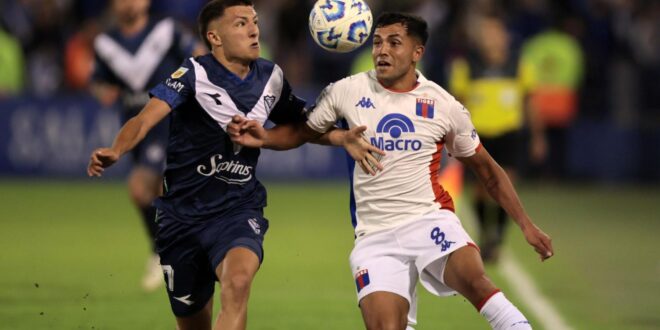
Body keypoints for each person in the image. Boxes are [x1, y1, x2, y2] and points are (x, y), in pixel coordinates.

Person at [228, 12, 554, 330]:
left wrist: (527, 225)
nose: (382, 50)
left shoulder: (443, 105)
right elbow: (303, 132)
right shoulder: (347, 91)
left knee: (476, 282)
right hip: (375, 236)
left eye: (394, 43)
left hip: (429, 218)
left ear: (417, 53)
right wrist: (266, 137)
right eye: (377, 42)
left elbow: (488, 171)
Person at [87, 1, 373, 329]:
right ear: (215, 37)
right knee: (193, 322)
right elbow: (145, 118)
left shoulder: (271, 77)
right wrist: (117, 149)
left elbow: (303, 125)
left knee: (238, 283)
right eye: (240, 24)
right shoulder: (193, 74)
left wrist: (342, 138)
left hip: (238, 210)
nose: (254, 30)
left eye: (254, 22)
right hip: (182, 219)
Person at [90, 0, 205, 291]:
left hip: (168, 120)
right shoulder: (106, 43)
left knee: (140, 188)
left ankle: (163, 253)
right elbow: (98, 79)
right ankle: (175, 250)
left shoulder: (166, 30)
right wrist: (102, 90)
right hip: (135, 127)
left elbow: (198, 55)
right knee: (155, 193)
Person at [448, 13, 547, 263]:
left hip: (508, 133)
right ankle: (485, 231)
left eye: (495, 33)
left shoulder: (519, 65)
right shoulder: (466, 66)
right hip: (477, 135)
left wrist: (538, 137)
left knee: (507, 185)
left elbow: (530, 102)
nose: (490, 38)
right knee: (480, 190)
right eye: (486, 33)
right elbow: (457, 104)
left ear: (504, 37)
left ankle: (498, 239)